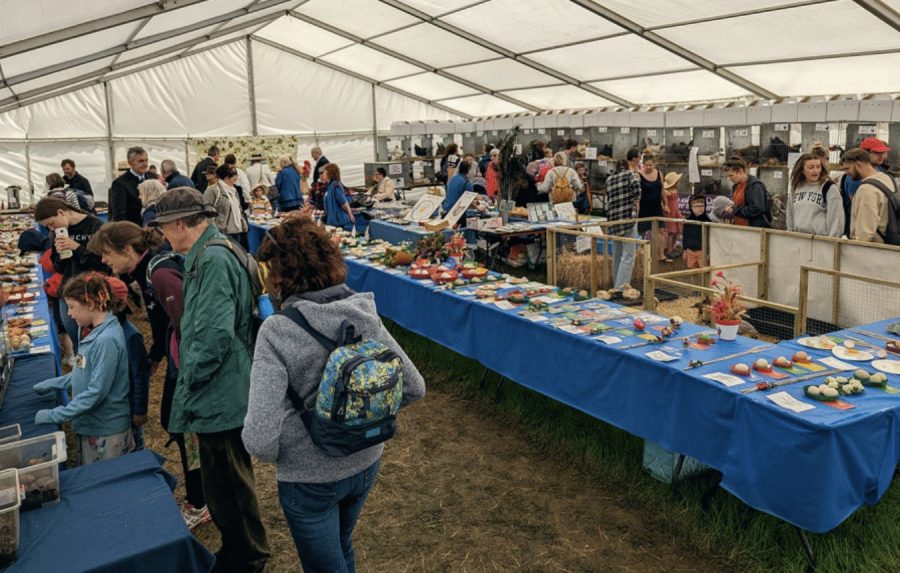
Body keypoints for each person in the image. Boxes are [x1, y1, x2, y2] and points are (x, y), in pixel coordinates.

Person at [243, 217, 425, 572]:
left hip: (309, 477)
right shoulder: (361, 309)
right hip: (367, 457)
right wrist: (363, 413)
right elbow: (414, 387)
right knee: (341, 546)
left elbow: (260, 441)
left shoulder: (276, 331)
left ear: (278, 275)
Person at [150, 188, 270, 571]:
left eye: (165, 227)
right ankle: (238, 549)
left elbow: (214, 333)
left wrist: (192, 376)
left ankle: (247, 556)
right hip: (224, 379)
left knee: (229, 481)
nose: (163, 235)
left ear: (181, 223)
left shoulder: (213, 259)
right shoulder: (212, 251)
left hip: (221, 385)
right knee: (223, 479)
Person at [87, 221, 210, 529]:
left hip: (189, 366)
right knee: (175, 423)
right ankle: (202, 494)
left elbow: (187, 322)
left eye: (106, 254)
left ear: (128, 250)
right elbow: (164, 323)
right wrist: (157, 355)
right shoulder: (146, 272)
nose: (104, 261)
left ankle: (202, 500)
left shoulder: (158, 272)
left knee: (182, 426)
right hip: (178, 359)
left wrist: (183, 369)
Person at [33, 272, 133, 465]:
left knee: (101, 481)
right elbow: (83, 371)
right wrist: (55, 383)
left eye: (72, 307)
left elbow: (96, 392)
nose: (69, 313)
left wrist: (55, 414)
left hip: (106, 431)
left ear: (91, 304)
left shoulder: (106, 341)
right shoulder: (89, 331)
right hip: (91, 427)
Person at [34, 197, 108, 353]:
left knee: (97, 340)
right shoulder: (57, 233)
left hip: (92, 291)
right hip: (68, 290)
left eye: (51, 224)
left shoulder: (95, 226)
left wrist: (76, 247)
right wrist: (59, 254)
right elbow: (58, 268)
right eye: (47, 227)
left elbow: (103, 264)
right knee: (76, 339)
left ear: (61, 212)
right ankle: (80, 371)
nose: (51, 229)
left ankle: (98, 371)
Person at [841, 149, 897, 243]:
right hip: (890, 241)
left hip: (874, 248)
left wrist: (857, 247)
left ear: (858, 165)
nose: (846, 173)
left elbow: (865, 232)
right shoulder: (887, 178)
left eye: (847, 168)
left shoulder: (866, 190)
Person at [786, 153, 844, 237]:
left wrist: (832, 242)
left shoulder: (829, 188)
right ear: (802, 170)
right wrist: (790, 236)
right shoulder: (796, 187)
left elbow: (836, 219)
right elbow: (790, 215)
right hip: (798, 239)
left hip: (820, 241)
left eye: (818, 167)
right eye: (811, 167)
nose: (816, 171)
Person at [605, 160, 641, 290]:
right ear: (626, 167)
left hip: (614, 220)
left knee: (617, 255)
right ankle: (621, 289)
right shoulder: (631, 175)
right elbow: (638, 193)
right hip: (628, 218)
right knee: (628, 256)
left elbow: (608, 198)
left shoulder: (609, 179)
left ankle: (616, 285)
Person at [635, 152, 669, 261]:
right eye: (646, 165)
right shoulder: (638, 175)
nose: (648, 167)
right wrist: (637, 208)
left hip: (656, 206)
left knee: (661, 231)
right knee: (641, 231)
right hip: (643, 207)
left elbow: (662, 190)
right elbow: (637, 194)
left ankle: (661, 255)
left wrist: (666, 204)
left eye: (651, 165)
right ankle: (639, 255)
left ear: (654, 164)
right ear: (643, 165)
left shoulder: (659, 173)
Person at [205, 165, 249, 244]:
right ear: (226, 179)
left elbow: (239, 209)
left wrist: (243, 223)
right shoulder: (213, 191)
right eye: (234, 179)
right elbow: (206, 213)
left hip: (236, 230)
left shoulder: (234, 191)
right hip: (222, 232)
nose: (235, 182)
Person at [723, 156, 771, 228]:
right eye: (728, 176)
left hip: (753, 230)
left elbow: (757, 209)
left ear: (740, 171)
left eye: (731, 175)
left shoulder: (755, 186)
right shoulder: (736, 186)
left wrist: (735, 210)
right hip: (740, 227)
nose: (729, 178)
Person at [109, 146, 148, 225]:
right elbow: (119, 215)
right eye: (141, 161)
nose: (145, 164)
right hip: (133, 230)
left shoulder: (152, 178)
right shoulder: (120, 183)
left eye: (146, 160)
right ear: (130, 163)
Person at [321, 163, 356, 230]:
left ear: (329, 173)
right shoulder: (329, 186)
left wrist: (350, 214)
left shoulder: (335, 186)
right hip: (332, 220)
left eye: (324, 172)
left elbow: (343, 202)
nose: (323, 174)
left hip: (338, 220)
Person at [682, 195, 710, 269]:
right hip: (690, 250)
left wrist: (708, 252)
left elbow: (710, 238)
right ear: (691, 207)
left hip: (702, 251)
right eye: (696, 206)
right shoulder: (688, 221)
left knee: (704, 270)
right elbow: (685, 235)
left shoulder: (708, 221)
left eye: (702, 206)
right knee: (691, 269)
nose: (699, 208)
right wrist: (685, 250)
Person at [662, 172, 684, 258]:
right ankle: (669, 249)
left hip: (676, 212)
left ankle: (673, 247)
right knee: (671, 232)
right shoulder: (666, 191)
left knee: (676, 232)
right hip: (670, 213)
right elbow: (662, 194)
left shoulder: (675, 190)